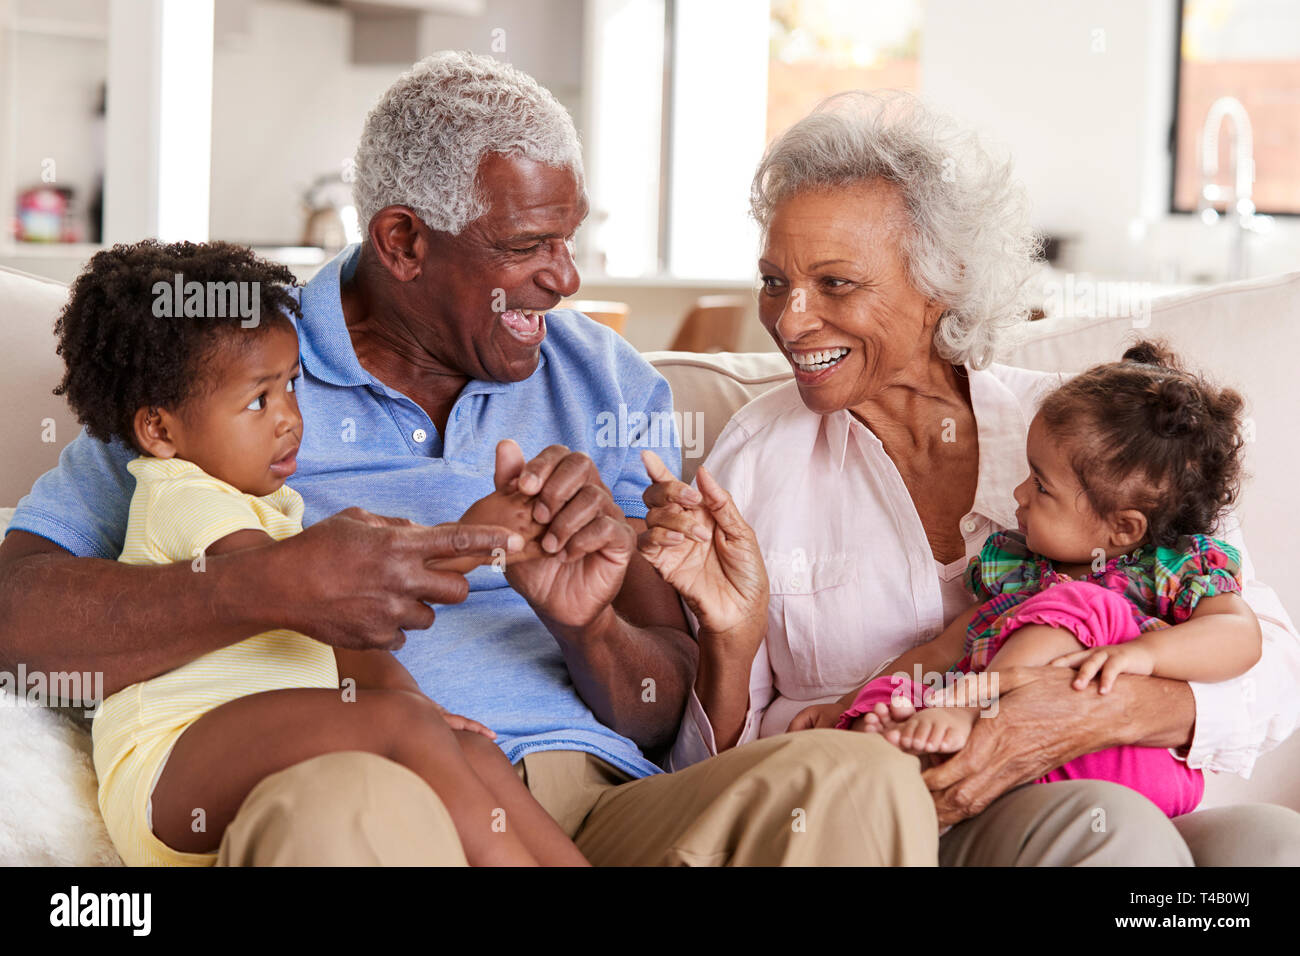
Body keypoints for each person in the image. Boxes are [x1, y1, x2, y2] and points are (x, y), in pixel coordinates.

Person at [0, 54, 934, 866]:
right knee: (348, 805)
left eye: (569, 241)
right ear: (404, 241)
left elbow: (663, 706)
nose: (566, 279)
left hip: (584, 809)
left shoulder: (607, 385)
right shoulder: (225, 366)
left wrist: (588, 626)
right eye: (527, 247)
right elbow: (17, 615)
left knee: (855, 778)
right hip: (359, 789)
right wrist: (264, 587)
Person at [638, 91, 1300, 865]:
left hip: (1110, 779)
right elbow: (710, 773)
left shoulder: (1088, 430)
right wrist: (730, 638)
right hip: (895, 820)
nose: (790, 320)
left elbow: (1272, 671)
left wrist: (1097, 710)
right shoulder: (756, 460)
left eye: (836, 284)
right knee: (1114, 834)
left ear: (940, 280)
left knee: (1270, 844)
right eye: (775, 281)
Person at [56, 239, 584, 866]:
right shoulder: (181, 496)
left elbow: (346, 644)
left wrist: (423, 712)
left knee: (468, 746)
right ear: (160, 429)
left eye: (291, 386)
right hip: (170, 761)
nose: (289, 419)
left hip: (246, 751)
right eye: (258, 400)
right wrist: (472, 538)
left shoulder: (274, 509)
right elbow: (315, 587)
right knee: (409, 727)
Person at [815, 341, 1262, 820]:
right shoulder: (1020, 572)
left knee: (1083, 603)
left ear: (1124, 527)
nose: (1018, 494)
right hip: (1010, 771)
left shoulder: (1170, 570)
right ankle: (890, 747)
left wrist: (1143, 655)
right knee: (896, 693)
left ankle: (973, 712)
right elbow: (938, 652)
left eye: (1041, 486)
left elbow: (1240, 637)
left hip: (1119, 763)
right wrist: (845, 704)